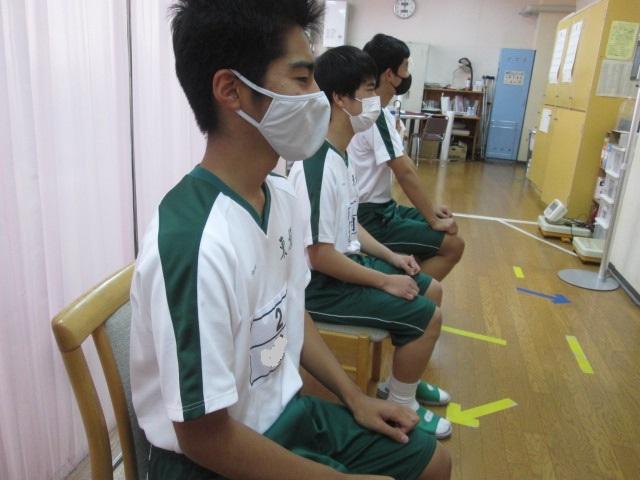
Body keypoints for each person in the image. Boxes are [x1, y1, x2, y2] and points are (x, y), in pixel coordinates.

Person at [130, 1, 451, 479]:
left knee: (433, 461)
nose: (318, 98)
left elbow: (291, 308)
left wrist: (355, 397)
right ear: (231, 90)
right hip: (212, 458)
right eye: (302, 79)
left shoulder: (278, 195)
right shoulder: (195, 241)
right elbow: (204, 437)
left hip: (285, 415)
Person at [290, 45, 453, 441]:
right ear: (340, 99)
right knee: (428, 315)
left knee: (431, 289)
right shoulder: (316, 165)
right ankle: (401, 404)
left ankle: (401, 384)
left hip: (343, 271)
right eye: (367, 90)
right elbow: (320, 256)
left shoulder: (339, 155)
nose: (375, 100)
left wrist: (392, 257)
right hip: (322, 289)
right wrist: (384, 281)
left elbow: (350, 226)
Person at [347, 34, 465, 282]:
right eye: (406, 66)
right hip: (370, 216)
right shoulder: (374, 114)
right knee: (453, 245)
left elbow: (405, 165)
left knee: (445, 228)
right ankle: (412, 295)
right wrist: (432, 219)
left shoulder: (377, 112)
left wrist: (431, 210)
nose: (408, 73)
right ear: (389, 74)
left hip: (383, 207)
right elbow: (404, 171)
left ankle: (406, 281)